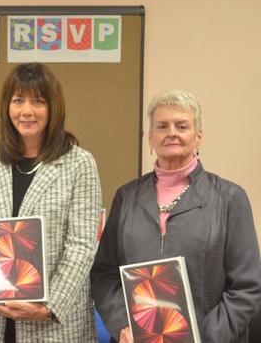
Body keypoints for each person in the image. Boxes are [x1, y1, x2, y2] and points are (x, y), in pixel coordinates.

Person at [90, 90, 261, 343]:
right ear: (150, 137)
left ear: (198, 136)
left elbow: (246, 288)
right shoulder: (126, 198)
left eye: (182, 125)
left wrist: (199, 338)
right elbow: (104, 274)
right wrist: (123, 326)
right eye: (162, 126)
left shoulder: (229, 198)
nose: (172, 132)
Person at [0, 62, 103, 342]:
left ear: (52, 108)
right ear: (7, 107)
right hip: (2, 320)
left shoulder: (79, 163)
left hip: (55, 324)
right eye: (18, 100)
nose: (27, 111)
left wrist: (47, 306)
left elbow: (81, 248)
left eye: (38, 101)